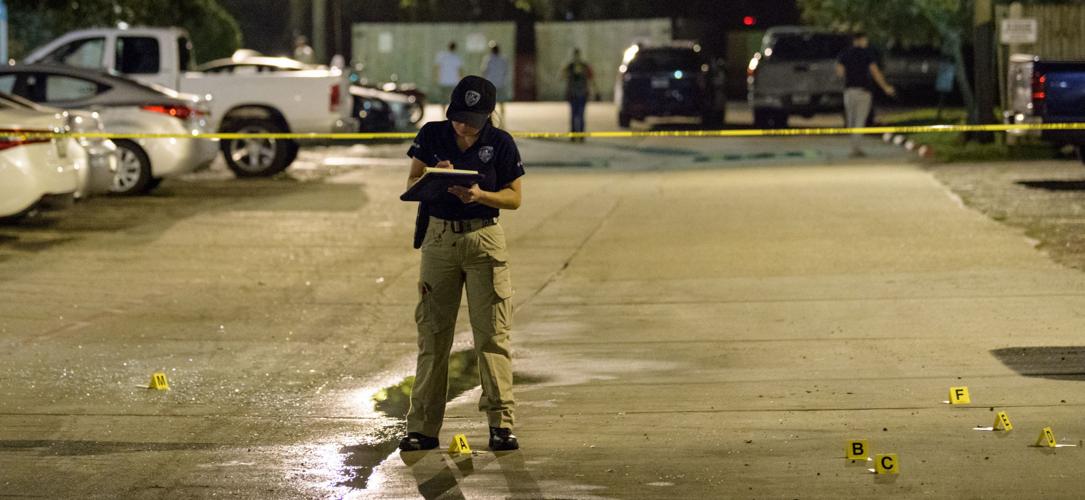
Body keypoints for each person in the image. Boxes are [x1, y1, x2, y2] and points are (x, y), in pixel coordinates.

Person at [400, 75, 525, 453]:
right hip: (439, 240)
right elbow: (412, 181)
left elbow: (515, 198)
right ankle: (422, 427)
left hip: (484, 238)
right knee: (434, 336)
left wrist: (480, 195)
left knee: (491, 336)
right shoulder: (432, 134)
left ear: (488, 115)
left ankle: (501, 425)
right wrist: (437, 176)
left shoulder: (500, 143)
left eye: (471, 119)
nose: (463, 125)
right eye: (458, 116)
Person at [836, 32, 896, 157]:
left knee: (851, 119)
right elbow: (875, 72)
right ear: (862, 40)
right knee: (860, 120)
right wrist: (886, 87)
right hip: (864, 91)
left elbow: (840, 72)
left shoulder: (844, 54)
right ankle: (855, 148)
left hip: (849, 91)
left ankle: (853, 146)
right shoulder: (867, 54)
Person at [562, 48, 597, 142]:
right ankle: (576, 135)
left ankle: (578, 135)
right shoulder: (572, 66)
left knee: (579, 116)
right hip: (575, 94)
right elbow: (563, 76)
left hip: (580, 94)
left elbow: (591, 78)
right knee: (576, 116)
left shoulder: (581, 66)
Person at [481, 42, 510, 122]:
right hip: (500, 83)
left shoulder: (488, 59)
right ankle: (503, 119)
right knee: (501, 102)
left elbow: (484, 71)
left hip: (491, 84)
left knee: (490, 103)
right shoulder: (503, 59)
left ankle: (490, 119)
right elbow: (506, 71)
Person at [434, 42, 464, 107]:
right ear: (455, 48)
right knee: (453, 98)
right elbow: (460, 71)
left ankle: (443, 113)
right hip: (454, 81)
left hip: (443, 81)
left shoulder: (442, 56)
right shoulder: (457, 58)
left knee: (443, 98)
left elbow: (437, 68)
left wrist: (437, 77)